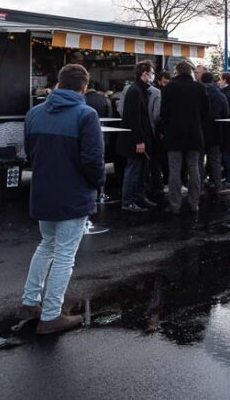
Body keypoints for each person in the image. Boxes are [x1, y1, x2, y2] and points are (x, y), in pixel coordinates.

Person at [20, 63, 104, 335]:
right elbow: (93, 159)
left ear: (58, 82)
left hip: (43, 190)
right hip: (73, 192)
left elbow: (30, 154)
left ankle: (30, 301)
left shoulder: (34, 113)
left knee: (46, 245)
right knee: (65, 255)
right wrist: (96, 184)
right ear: (84, 87)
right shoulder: (86, 114)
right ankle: (52, 314)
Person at [159, 61, 211, 214]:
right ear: (190, 72)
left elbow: (164, 113)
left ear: (177, 72)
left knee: (174, 170)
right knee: (194, 168)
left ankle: (175, 204)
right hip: (194, 133)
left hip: (174, 134)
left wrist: (165, 129)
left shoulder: (169, 88)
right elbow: (206, 113)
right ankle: (194, 202)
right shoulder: (199, 88)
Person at [117, 61, 156, 212]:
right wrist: (139, 141)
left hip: (140, 138)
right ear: (144, 73)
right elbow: (134, 119)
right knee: (133, 169)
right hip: (136, 139)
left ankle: (139, 196)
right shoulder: (135, 91)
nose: (153, 76)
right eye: (151, 73)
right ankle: (128, 201)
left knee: (140, 169)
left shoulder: (139, 90)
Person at [201, 72, 229, 191]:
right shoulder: (220, 95)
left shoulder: (199, 93)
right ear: (213, 80)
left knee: (198, 160)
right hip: (216, 130)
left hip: (200, 131)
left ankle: (200, 183)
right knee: (215, 160)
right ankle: (217, 185)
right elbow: (226, 112)